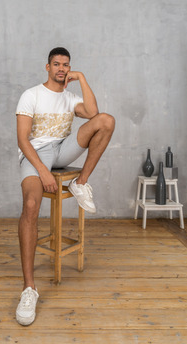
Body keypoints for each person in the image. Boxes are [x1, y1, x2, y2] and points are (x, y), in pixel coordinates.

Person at [15, 47, 115, 326]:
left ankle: (81, 182)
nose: (61, 68)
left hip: (63, 150)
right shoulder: (31, 95)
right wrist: (43, 171)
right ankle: (29, 289)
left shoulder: (71, 97)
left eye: (66, 65)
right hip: (36, 155)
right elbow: (22, 140)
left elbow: (95, 115)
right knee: (31, 205)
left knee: (107, 120)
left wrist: (81, 78)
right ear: (47, 67)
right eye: (56, 64)